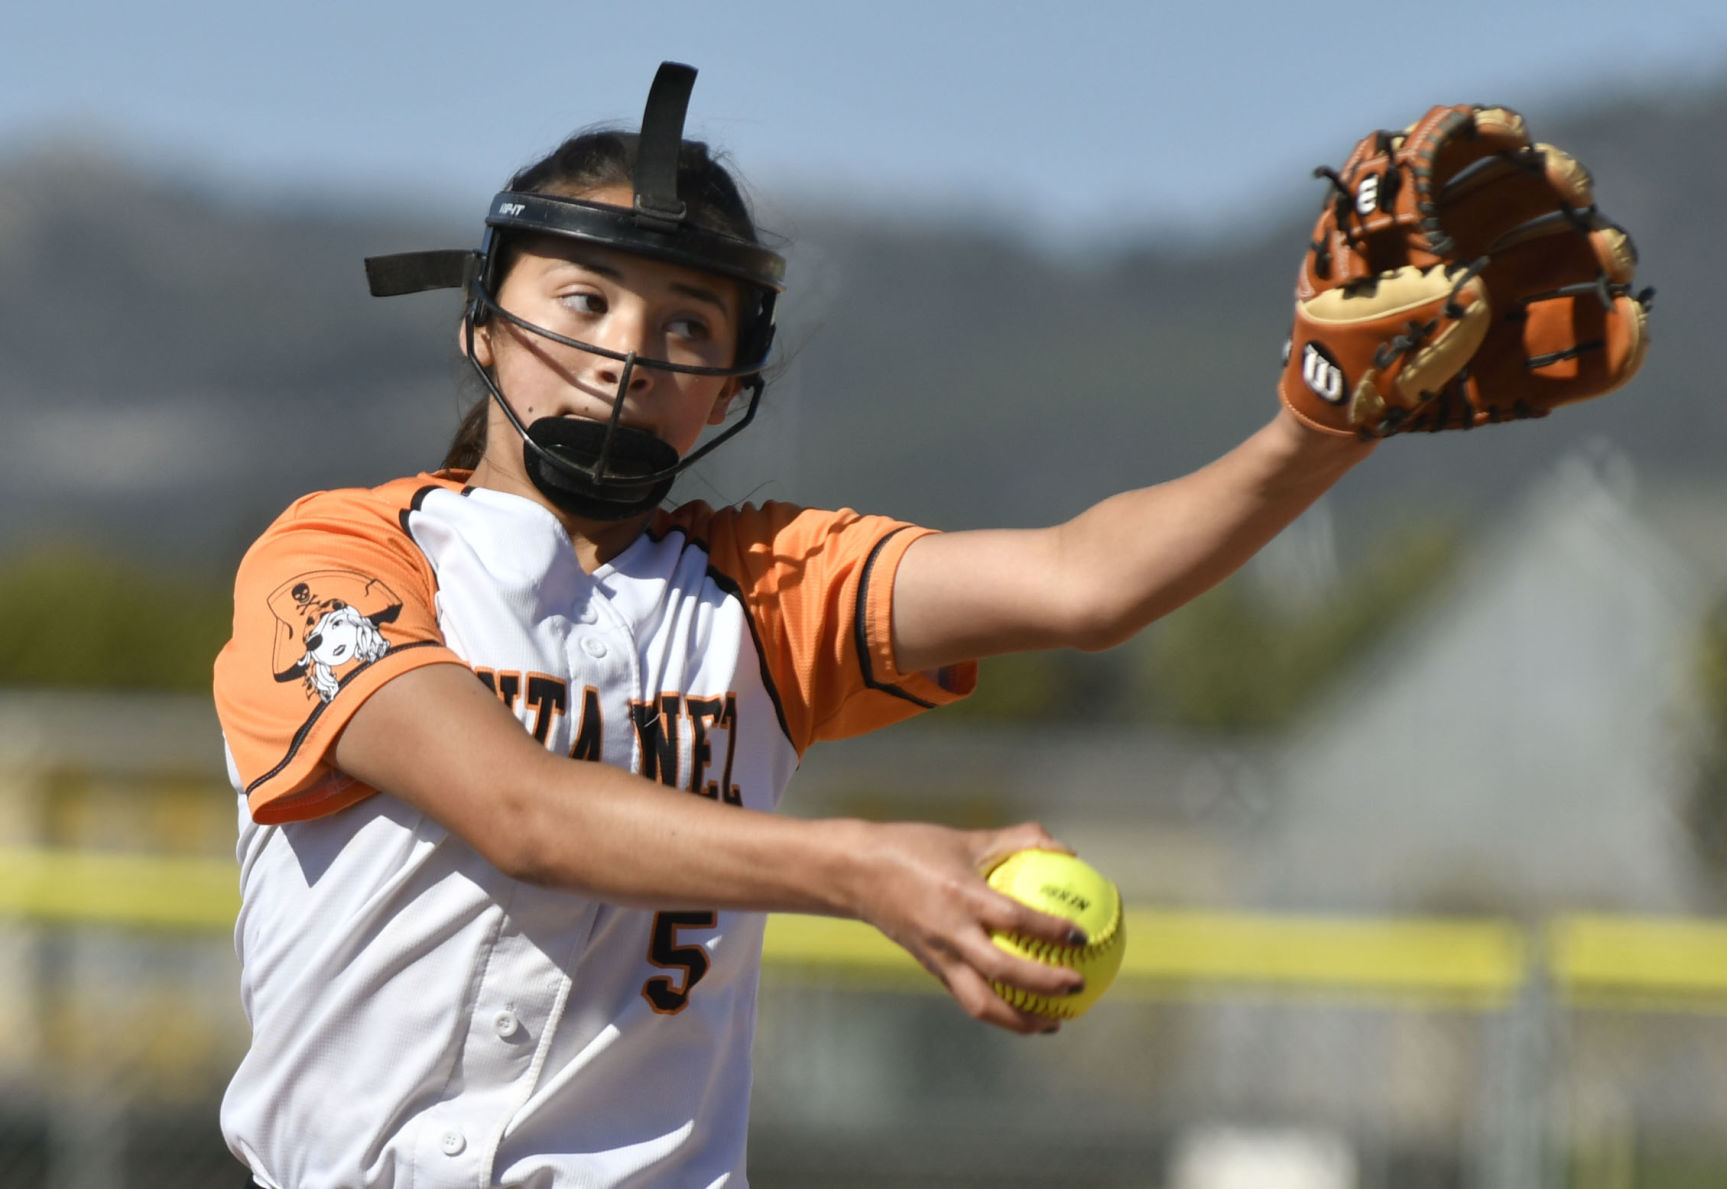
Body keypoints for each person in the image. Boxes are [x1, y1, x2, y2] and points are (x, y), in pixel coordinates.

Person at [212, 64, 1374, 1189]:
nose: (628, 354)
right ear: (480, 320)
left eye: (685, 325)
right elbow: (518, 812)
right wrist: (863, 865)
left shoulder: (763, 588)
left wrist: (1326, 423)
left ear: (728, 384)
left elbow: (1085, 581)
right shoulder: (340, 558)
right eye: (585, 298)